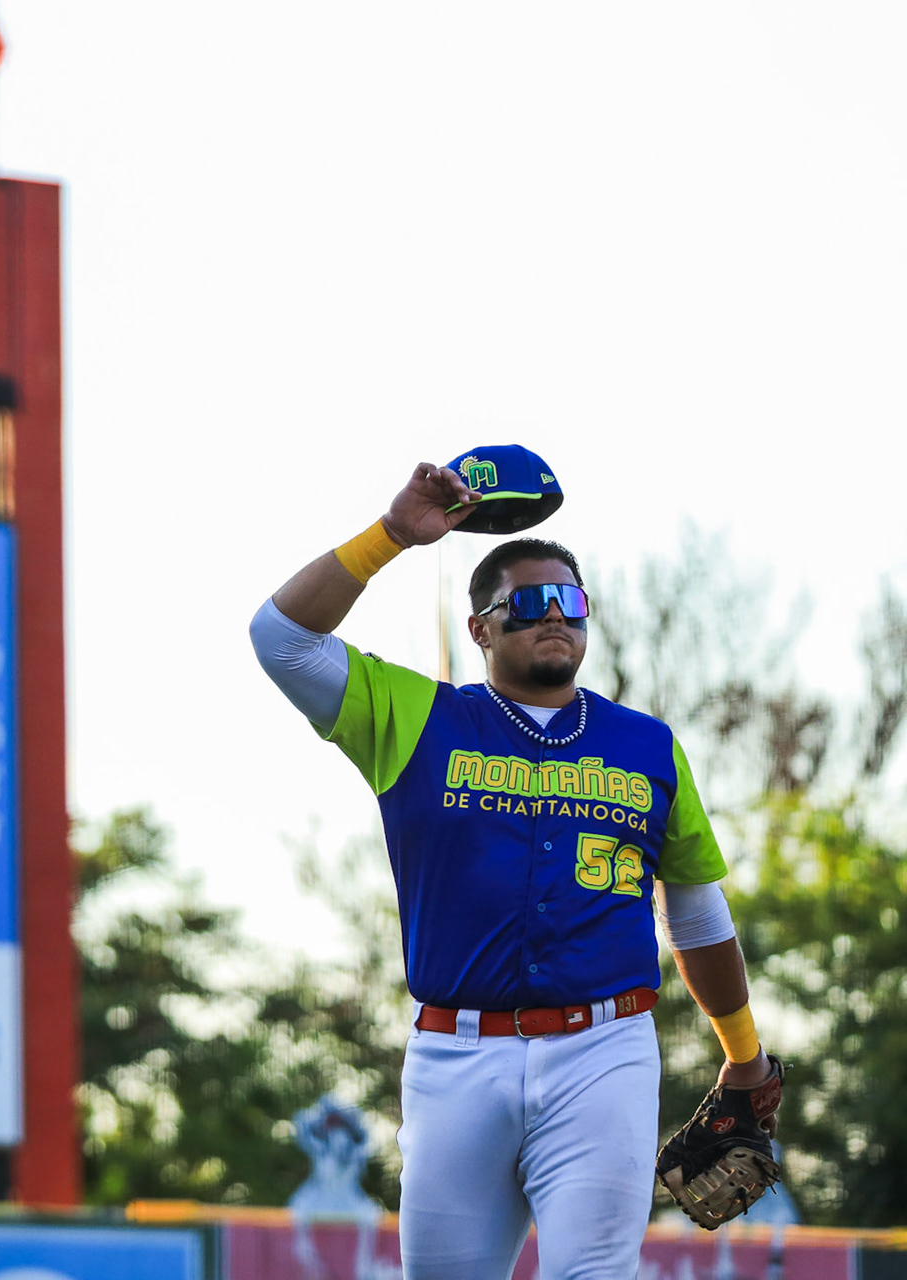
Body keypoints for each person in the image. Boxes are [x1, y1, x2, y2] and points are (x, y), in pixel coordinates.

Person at [249, 460, 779, 1279]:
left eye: (571, 601)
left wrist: (742, 1055)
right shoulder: (418, 717)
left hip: (604, 1045)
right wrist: (391, 535)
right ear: (481, 630)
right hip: (454, 1055)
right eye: (528, 604)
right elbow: (279, 638)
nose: (554, 616)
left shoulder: (647, 746)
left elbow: (698, 915)